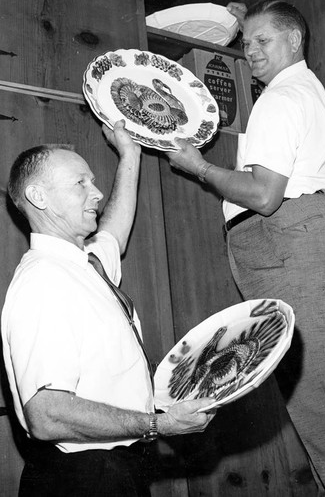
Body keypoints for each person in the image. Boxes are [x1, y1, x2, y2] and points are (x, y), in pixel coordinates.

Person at [165, 0, 325, 496]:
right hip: (309, 239)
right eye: (246, 43)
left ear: (295, 41)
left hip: (287, 241)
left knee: (321, 403)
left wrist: (196, 166)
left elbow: (265, 195)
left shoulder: (280, 99)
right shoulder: (309, 94)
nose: (252, 52)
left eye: (263, 41)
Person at [1, 120, 216, 497]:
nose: (96, 192)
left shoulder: (82, 265)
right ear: (39, 197)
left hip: (117, 470)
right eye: (80, 183)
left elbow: (114, 232)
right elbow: (47, 414)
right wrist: (158, 425)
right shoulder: (43, 282)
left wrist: (129, 155)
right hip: (82, 480)